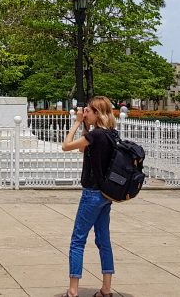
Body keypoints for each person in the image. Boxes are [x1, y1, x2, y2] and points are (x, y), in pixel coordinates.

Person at [60, 96, 117, 297]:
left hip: (92, 193)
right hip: (106, 194)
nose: (86, 114)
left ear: (96, 113)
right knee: (104, 240)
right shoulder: (111, 134)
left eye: (89, 112)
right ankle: (106, 289)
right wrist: (85, 124)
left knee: (77, 240)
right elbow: (84, 149)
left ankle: (73, 290)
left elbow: (66, 146)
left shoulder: (96, 136)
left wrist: (76, 122)